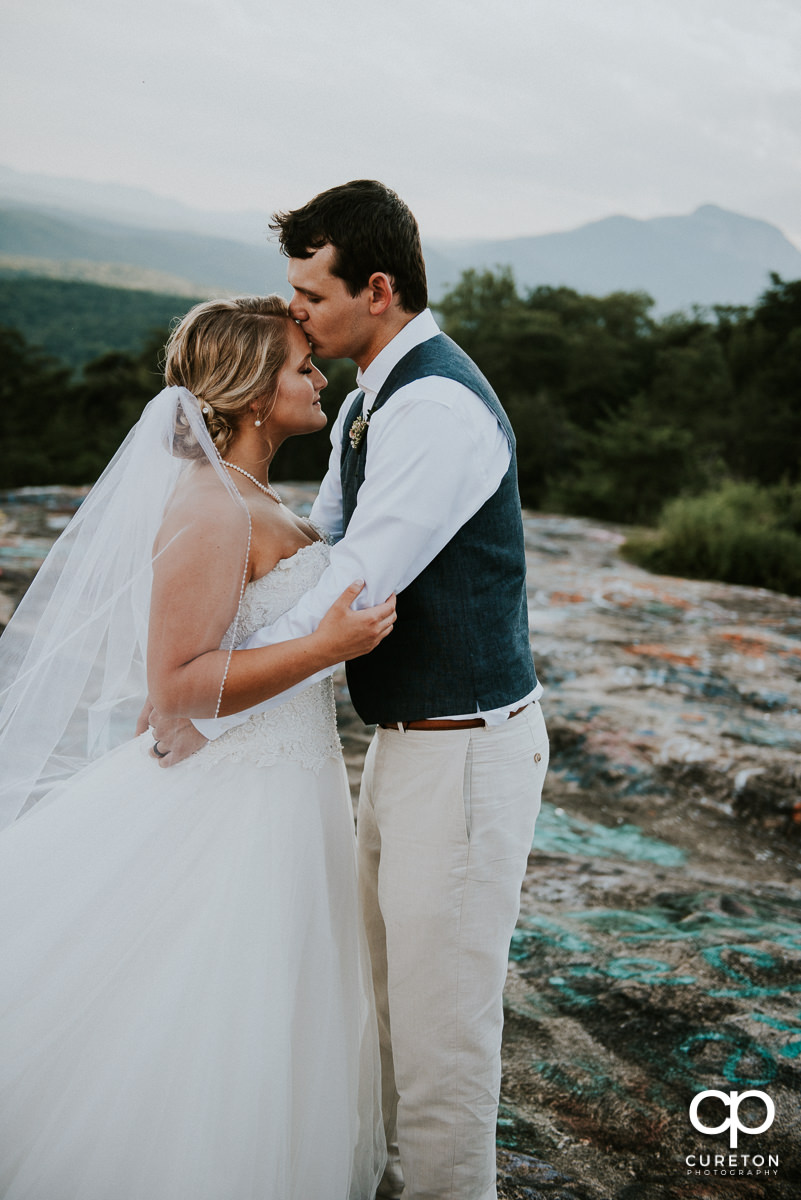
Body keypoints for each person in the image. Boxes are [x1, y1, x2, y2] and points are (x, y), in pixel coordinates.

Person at [150, 181, 549, 1200]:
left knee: (440, 1028)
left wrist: (210, 690)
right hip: (404, 743)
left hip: (460, 748)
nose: (299, 318)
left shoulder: (437, 410)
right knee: (379, 1001)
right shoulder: (375, 395)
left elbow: (356, 580)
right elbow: (320, 545)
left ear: (377, 290)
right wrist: (207, 680)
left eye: (310, 298)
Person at [0, 295, 395, 1199]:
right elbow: (176, 681)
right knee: (212, 1025)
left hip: (289, 786)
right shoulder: (212, 507)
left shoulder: (251, 495)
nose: (318, 377)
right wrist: (327, 648)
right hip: (238, 801)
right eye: (302, 367)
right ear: (255, 394)